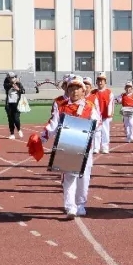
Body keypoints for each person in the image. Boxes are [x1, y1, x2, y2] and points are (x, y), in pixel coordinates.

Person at [41, 76, 101, 217]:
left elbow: (97, 122)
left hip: (85, 146)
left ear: (83, 91)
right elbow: (53, 125)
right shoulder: (62, 107)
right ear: (67, 90)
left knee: (84, 177)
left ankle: (81, 204)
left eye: (77, 88)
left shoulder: (89, 106)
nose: (74, 91)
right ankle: (70, 207)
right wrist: (42, 138)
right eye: (71, 88)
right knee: (69, 177)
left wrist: (88, 127)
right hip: (67, 145)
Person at [89, 72, 114, 154]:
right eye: (99, 80)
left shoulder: (109, 92)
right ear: (96, 82)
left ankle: (105, 147)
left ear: (105, 82)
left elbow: (111, 104)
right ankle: (96, 147)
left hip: (105, 115)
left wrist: (109, 114)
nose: (100, 82)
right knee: (96, 131)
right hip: (96, 116)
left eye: (102, 80)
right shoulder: (93, 92)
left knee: (105, 131)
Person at [3, 73, 26, 139]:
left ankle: (19, 129)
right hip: (9, 104)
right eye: (10, 77)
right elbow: (6, 87)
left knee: (16, 118)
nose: (11, 78)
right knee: (10, 119)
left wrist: (18, 89)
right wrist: (13, 83)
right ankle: (12, 133)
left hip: (17, 103)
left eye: (13, 77)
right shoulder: (6, 83)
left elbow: (23, 91)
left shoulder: (19, 84)